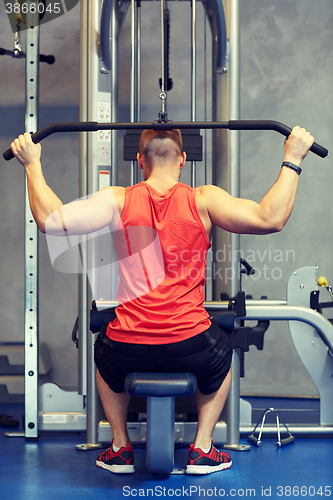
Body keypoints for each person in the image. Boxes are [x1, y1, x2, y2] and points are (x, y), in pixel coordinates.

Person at [11, 125, 314, 475]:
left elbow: (51, 221)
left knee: (103, 354)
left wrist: (32, 164)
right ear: (183, 161)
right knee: (224, 355)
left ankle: (120, 448)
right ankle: (202, 449)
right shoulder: (204, 199)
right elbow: (270, 218)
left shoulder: (118, 199)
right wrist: (292, 158)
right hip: (190, 342)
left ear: (140, 161)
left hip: (127, 344)